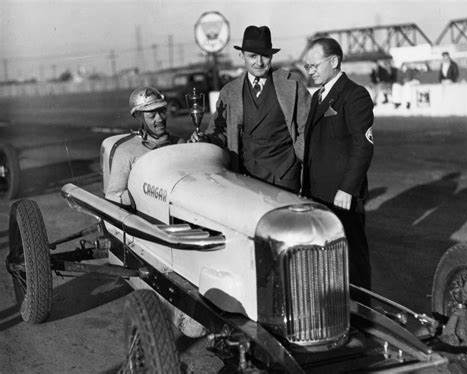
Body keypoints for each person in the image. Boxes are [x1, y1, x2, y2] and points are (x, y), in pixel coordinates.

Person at [190, 25, 311, 193]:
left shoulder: (292, 84)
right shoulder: (229, 92)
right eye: (252, 56)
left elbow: (308, 126)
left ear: (272, 56)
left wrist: (297, 158)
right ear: (242, 56)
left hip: (285, 179)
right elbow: (220, 132)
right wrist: (205, 138)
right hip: (245, 181)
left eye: (265, 56)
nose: (259, 62)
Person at [302, 37, 374, 289]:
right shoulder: (317, 97)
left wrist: (348, 188)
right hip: (318, 195)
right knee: (327, 261)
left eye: (314, 65)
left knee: (353, 261)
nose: (310, 71)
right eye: (307, 66)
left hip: (342, 197)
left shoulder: (355, 95)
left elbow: (363, 146)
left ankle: (363, 318)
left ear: (333, 61)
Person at [105, 86, 183, 205]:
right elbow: (113, 196)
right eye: (152, 115)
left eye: (162, 111)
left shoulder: (179, 143)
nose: (160, 119)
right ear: (139, 117)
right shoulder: (126, 151)